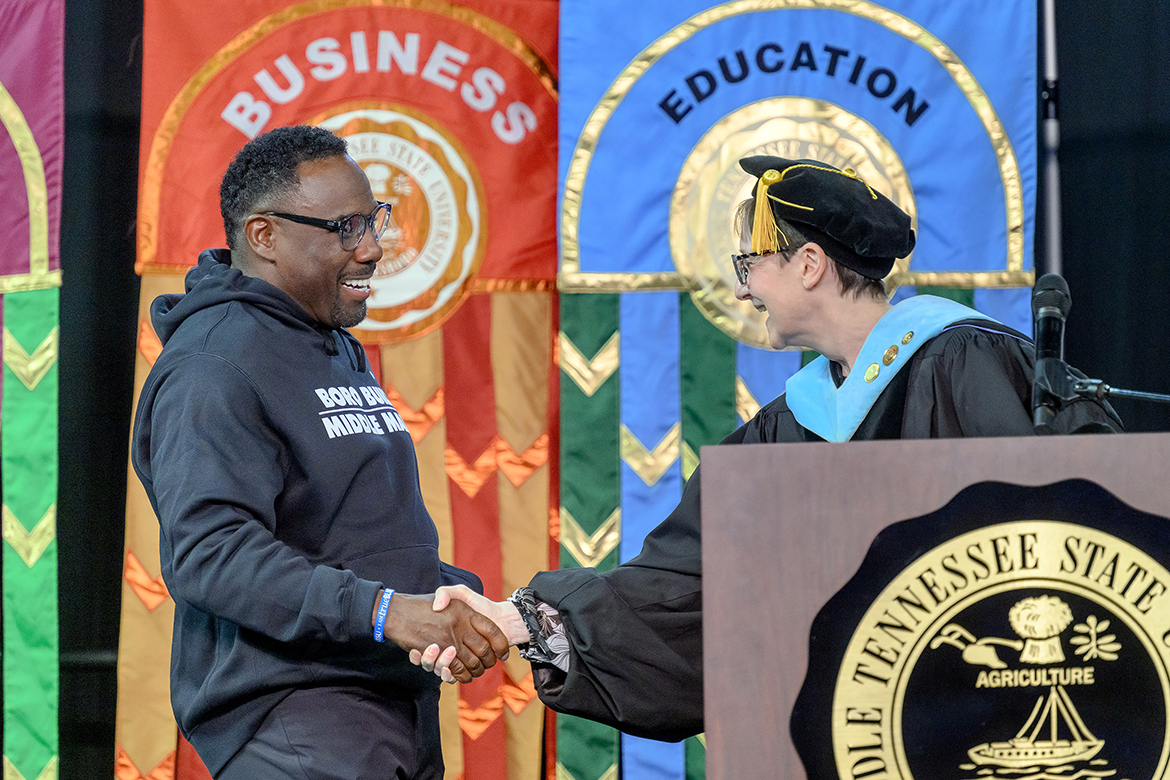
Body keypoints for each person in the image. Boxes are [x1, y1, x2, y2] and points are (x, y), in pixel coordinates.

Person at [409, 155, 1123, 740]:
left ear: (810, 264)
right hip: (850, 741)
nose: (745, 289)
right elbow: (690, 584)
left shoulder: (967, 363)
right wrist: (523, 619)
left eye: (751, 265)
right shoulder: (786, 429)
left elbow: (1080, 527)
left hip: (990, 728)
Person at [131, 125, 509, 780]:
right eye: (344, 228)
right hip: (297, 719)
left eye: (375, 221)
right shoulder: (213, 364)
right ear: (264, 236)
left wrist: (450, 600)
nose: (371, 249)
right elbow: (212, 556)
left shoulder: (330, 342)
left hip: (384, 703)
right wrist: (389, 612)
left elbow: (345, 538)